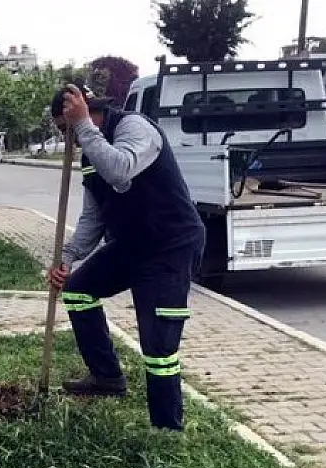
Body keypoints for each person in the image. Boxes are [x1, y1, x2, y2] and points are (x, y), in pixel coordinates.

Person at [45, 84, 206, 432]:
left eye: (64, 128)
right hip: (131, 245)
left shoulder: (134, 127)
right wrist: (68, 258)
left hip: (169, 246)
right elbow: (94, 216)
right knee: (77, 290)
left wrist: (83, 125)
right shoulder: (91, 152)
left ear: (86, 112)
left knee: (158, 347)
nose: (68, 138)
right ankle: (107, 377)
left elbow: (121, 169)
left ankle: (166, 428)